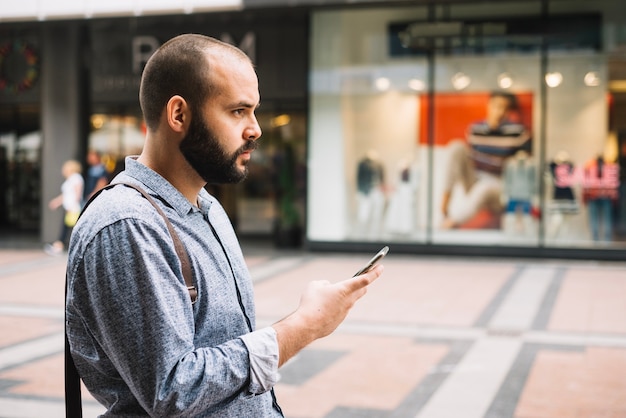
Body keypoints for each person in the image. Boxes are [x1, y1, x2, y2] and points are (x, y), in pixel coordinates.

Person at [65, 34, 384, 417]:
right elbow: (173, 391)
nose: (256, 129)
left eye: (254, 111)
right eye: (238, 111)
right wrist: (304, 326)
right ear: (179, 114)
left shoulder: (208, 207)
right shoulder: (127, 225)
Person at [440, 91, 531, 229]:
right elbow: (468, 159)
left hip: (500, 186)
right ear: (489, 105)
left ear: (509, 111)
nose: (499, 111)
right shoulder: (475, 129)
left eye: (504, 108)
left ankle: (451, 223)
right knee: (456, 147)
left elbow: (522, 167)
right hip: (475, 179)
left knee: (486, 187)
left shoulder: (518, 132)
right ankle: (444, 207)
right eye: (496, 106)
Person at [44, 159, 83, 255]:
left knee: (71, 229)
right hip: (69, 208)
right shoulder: (71, 179)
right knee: (67, 229)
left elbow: (77, 194)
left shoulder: (76, 178)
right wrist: (57, 202)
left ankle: (59, 246)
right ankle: (59, 246)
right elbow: (65, 195)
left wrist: (72, 206)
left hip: (73, 209)